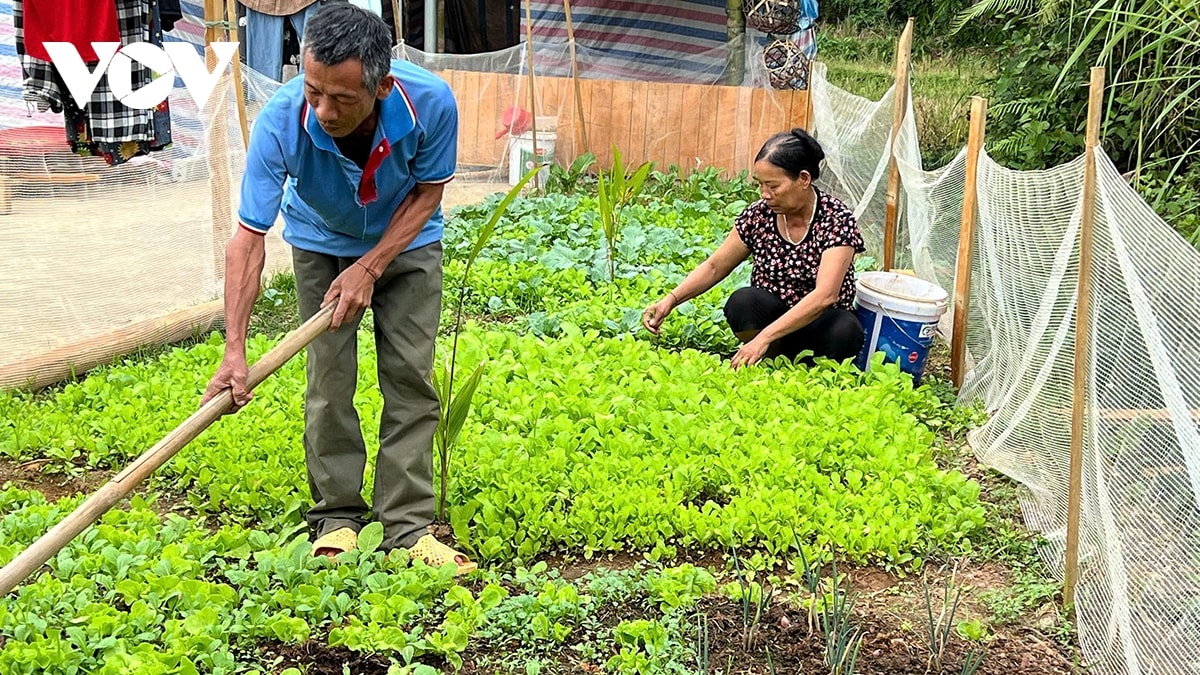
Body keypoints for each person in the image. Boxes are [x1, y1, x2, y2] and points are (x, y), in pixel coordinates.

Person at [201, 3, 475, 574]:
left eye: (342, 99)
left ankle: (407, 527)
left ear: (381, 86)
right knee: (328, 380)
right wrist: (234, 348)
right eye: (313, 91)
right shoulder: (282, 118)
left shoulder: (430, 103)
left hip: (408, 242)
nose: (323, 110)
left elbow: (428, 193)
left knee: (410, 376)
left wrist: (372, 267)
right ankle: (337, 516)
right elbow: (248, 239)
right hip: (321, 241)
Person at [642, 129, 865, 370]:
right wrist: (671, 300)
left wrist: (763, 338)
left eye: (773, 186)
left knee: (845, 329)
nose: (765, 195)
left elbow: (825, 295)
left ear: (803, 179)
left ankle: (810, 365)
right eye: (760, 185)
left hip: (818, 324)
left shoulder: (836, 218)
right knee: (743, 302)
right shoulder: (759, 215)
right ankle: (773, 359)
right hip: (771, 322)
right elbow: (715, 266)